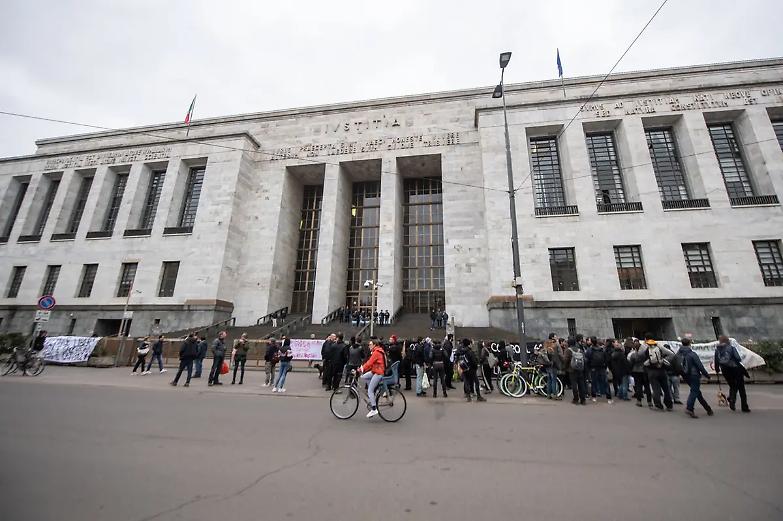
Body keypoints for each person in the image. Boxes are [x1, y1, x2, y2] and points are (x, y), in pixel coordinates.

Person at [678, 337, 713, 418]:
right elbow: (700, 366)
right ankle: (689, 408)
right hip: (694, 375)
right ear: (689, 344)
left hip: (685, 375)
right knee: (694, 391)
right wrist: (707, 376)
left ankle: (708, 408)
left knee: (697, 392)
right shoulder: (692, 354)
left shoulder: (679, 354)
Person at [715, 335, 750, 412]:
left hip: (725, 370)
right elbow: (738, 358)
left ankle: (732, 399)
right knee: (741, 388)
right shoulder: (731, 348)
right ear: (728, 341)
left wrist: (717, 370)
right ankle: (744, 407)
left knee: (732, 386)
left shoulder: (717, 350)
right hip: (735, 369)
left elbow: (716, 361)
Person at [643, 336, 675, 411]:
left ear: (646, 339)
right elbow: (671, 354)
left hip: (652, 371)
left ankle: (658, 405)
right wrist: (662, 361)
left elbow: (641, 358)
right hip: (662, 370)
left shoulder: (645, 347)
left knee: (656, 389)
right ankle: (669, 405)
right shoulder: (659, 346)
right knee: (666, 389)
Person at [628, 338, 652, 408]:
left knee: (638, 387)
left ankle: (639, 401)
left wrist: (630, 370)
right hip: (645, 371)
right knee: (647, 387)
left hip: (636, 371)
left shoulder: (633, 354)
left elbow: (631, 363)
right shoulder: (645, 352)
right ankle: (649, 402)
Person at [587, 338, 612, 403]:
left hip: (593, 368)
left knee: (594, 382)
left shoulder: (589, 350)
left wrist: (590, 367)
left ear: (591, 342)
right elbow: (606, 359)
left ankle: (594, 397)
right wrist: (605, 366)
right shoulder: (602, 349)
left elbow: (587, 359)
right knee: (605, 382)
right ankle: (609, 398)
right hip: (602, 367)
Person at [564, 337, 587, 405]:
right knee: (581, 384)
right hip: (580, 369)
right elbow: (584, 359)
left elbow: (566, 360)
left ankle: (576, 399)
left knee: (574, 385)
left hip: (572, 370)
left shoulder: (568, 350)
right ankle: (583, 399)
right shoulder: (579, 350)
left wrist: (565, 368)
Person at [541, 334, 558, 399]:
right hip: (552, 364)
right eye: (555, 336)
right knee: (553, 380)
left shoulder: (546, 343)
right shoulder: (553, 344)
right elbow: (555, 354)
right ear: (552, 337)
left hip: (547, 364)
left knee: (549, 380)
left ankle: (548, 394)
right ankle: (554, 394)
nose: (556, 337)